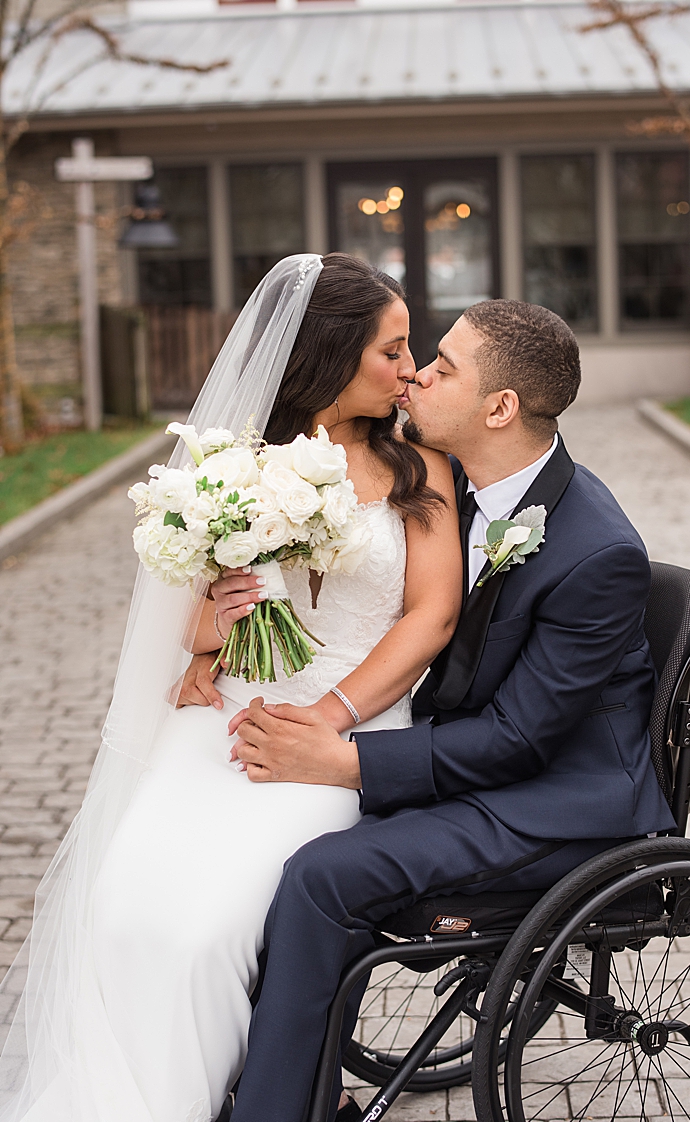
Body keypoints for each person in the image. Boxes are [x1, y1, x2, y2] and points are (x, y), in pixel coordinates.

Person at [0, 253, 465, 1122]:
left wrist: (328, 725)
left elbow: (430, 620)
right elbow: (193, 629)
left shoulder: (419, 469)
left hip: (344, 727)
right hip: (232, 710)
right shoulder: (239, 467)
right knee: (123, 903)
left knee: (206, 927)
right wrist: (219, 616)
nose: (410, 368)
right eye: (392, 350)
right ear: (332, 355)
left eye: (413, 350)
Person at [205, 297, 675, 1122]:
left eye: (444, 367)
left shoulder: (597, 552)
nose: (418, 372)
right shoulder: (463, 483)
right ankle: (308, 1089)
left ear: (499, 409)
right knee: (293, 837)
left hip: (558, 803)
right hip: (479, 763)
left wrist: (344, 760)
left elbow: (521, 739)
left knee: (322, 874)